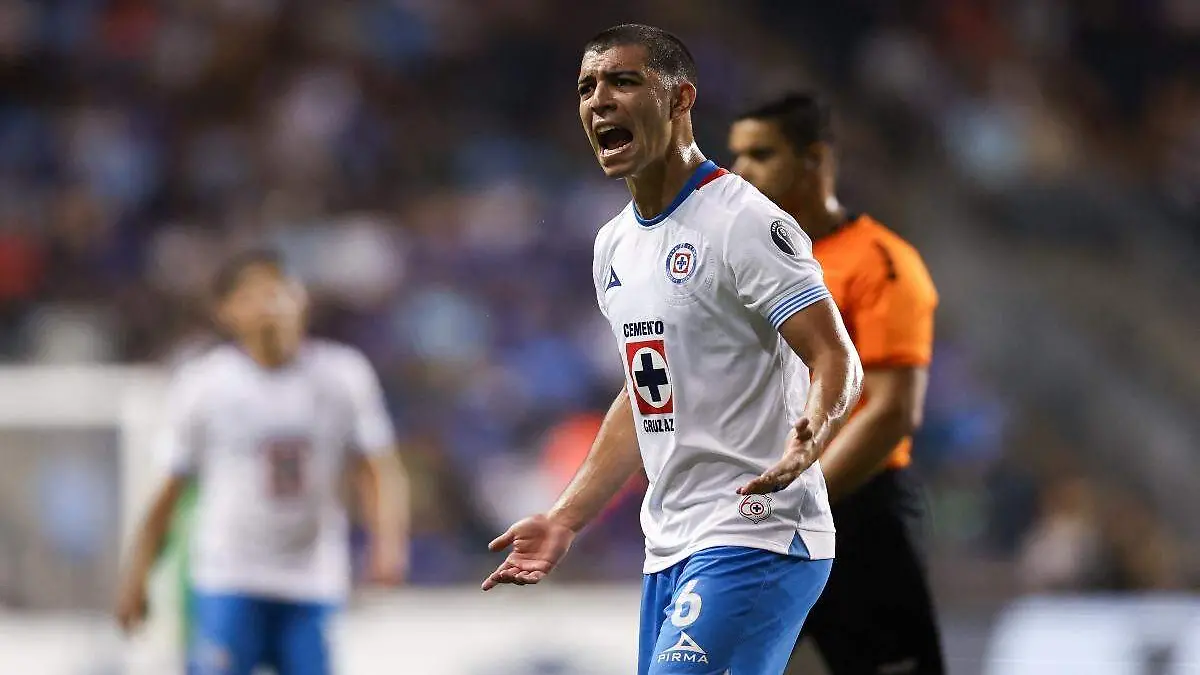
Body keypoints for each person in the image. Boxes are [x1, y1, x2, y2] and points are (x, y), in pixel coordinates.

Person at [482, 25, 864, 675]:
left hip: (756, 530)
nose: (599, 100)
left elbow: (835, 356)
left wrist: (814, 431)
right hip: (671, 545)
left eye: (623, 81)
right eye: (587, 88)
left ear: (680, 98)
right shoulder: (614, 246)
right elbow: (646, 396)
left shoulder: (742, 222)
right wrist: (565, 518)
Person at [729, 91, 945, 675]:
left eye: (761, 154)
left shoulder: (879, 261)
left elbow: (891, 411)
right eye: (736, 155)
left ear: (815, 160)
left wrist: (800, 497)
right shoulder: (735, 261)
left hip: (854, 510)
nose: (741, 171)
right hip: (753, 510)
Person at [115, 249, 410, 675]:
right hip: (229, 575)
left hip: (312, 577)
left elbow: (377, 467)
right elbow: (167, 492)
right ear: (225, 311)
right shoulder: (204, 385)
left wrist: (389, 543)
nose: (269, 305)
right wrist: (137, 575)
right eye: (251, 295)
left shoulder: (343, 375)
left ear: (301, 298)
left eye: (278, 291)